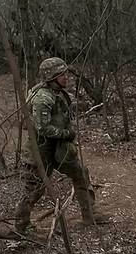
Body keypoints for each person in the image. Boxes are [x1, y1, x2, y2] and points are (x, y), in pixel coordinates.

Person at [13, 57, 108, 231]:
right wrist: (67, 133)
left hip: (61, 148)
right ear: (51, 77)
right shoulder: (42, 97)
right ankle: (20, 226)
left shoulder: (58, 93)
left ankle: (90, 214)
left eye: (65, 73)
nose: (66, 77)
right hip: (41, 150)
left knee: (80, 173)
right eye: (62, 74)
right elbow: (42, 129)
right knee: (34, 189)